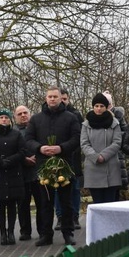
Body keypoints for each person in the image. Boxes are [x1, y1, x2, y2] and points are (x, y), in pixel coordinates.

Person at [24, 86, 81, 246]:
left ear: (60, 98)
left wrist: (61, 148)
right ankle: (45, 234)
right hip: (44, 166)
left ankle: (68, 233)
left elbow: (77, 138)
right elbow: (28, 139)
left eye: (55, 96)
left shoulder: (70, 118)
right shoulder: (36, 119)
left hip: (64, 165)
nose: (53, 99)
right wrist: (40, 148)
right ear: (46, 98)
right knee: (45, 202)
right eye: (50, 96)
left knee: (66, 202)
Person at [0, 108, 26, 245]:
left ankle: (11, 232)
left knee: (12, 204)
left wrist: (11, 160)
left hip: (14, 172)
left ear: (10, 120)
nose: (4, 120)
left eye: (6, 118)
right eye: (1, 118)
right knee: (0, 204)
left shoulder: (16, 134)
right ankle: (2, 232)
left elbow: (22, 151)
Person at [80, 93, 123, 203]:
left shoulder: (114, 123)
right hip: (93, 167)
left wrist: (104, 156)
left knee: (110, 204)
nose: (99, 108)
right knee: (97, 204)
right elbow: (84, 144)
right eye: (96, 106)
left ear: (106, 107)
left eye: (101, 106)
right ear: (93, 107)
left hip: (111, 167)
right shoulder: (86, 124)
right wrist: (95, 157)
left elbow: (117, 142)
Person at [56, 88, 83, 230]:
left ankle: (75, 217)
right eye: (61, 99)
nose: (63, 102)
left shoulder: (76, 115)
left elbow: (81, 136)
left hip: (73, 157)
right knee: (56, 188)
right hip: (57, 159)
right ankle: (60, 218)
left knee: (75, 189)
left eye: (65, 99)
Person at [13, 105, 35, 241]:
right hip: (20, 173)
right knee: (22, 204)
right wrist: (24, 159)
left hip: (37, 171)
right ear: (15, 117)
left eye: (25, 113)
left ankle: (44, 231)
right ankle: (25, 231)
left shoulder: (36, 128)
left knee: (42, 203)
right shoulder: (13, 132)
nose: (23, 115)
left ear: (30, 114)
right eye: (19, 114)